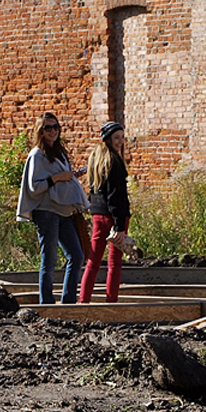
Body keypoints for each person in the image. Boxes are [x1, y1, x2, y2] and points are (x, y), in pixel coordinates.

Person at [17, 112, 88, 303]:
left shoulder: (59, 153)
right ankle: (46, 303)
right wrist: (57, 178)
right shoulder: (37, 155)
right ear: (40, 131)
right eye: (48, 127)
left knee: (77, 256)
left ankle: (68, 301)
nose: (53, 131)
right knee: (49, 260)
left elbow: (61, 178)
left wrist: (70, 176)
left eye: (55, 127)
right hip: (46, 212)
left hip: (64, 210)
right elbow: (34, 187)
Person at [79, 121, 131, 303]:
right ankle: (111, 301)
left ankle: (83, 301)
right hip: (115, 217)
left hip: (98, 216)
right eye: (117, 138)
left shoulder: (96, 159)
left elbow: (94, 192)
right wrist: (119, 225)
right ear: (108, 138)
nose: (120, 142)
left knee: (93, 261)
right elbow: (116, 196)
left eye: (122, 137)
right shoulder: (114, 162)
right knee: (114, 263)